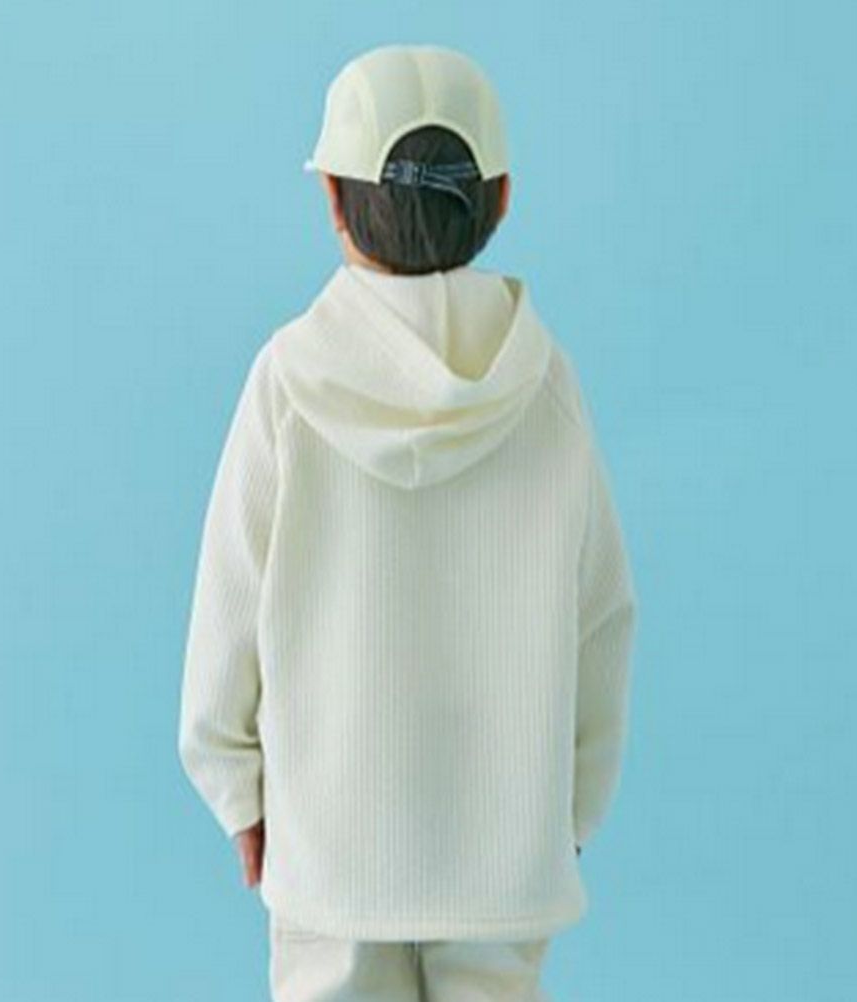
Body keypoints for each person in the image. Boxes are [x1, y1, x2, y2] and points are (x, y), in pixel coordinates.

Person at [177, 42, 638, 1002]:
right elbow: (603, 614)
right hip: (506, 851)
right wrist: (570, 812)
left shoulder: (289, 381)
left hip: (330, 849)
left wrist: (236, 791)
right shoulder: (545, 383)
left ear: (332, 200)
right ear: (503, 198)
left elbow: (229, 607)